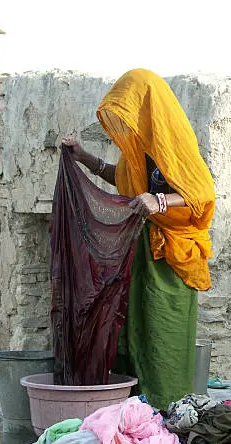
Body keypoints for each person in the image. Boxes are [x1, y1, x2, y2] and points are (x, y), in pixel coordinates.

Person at [62, 68, 215, 410]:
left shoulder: (174, 144)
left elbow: (202, 195)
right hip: (139, 254)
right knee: (132, 334)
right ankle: (132, 411)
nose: (124, 123)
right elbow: (119, 179)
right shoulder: (138, 152)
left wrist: (159, 201)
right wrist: (82, 157)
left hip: (170, 259)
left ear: (147, 108)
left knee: (163, 335)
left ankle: (167, 408)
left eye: (129, 112)